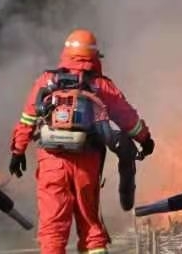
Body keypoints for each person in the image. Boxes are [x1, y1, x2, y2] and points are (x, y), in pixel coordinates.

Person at [9, 29, 155, 254]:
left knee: (53, 230)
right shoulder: (101, 85)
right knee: (90, 227)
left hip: (52, 163)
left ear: (66, 53)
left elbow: (27, 119)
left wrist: (18, 152)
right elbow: (129, 119)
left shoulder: (47, 80)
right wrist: (145, 140)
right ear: (94, 56)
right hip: (86, 163)